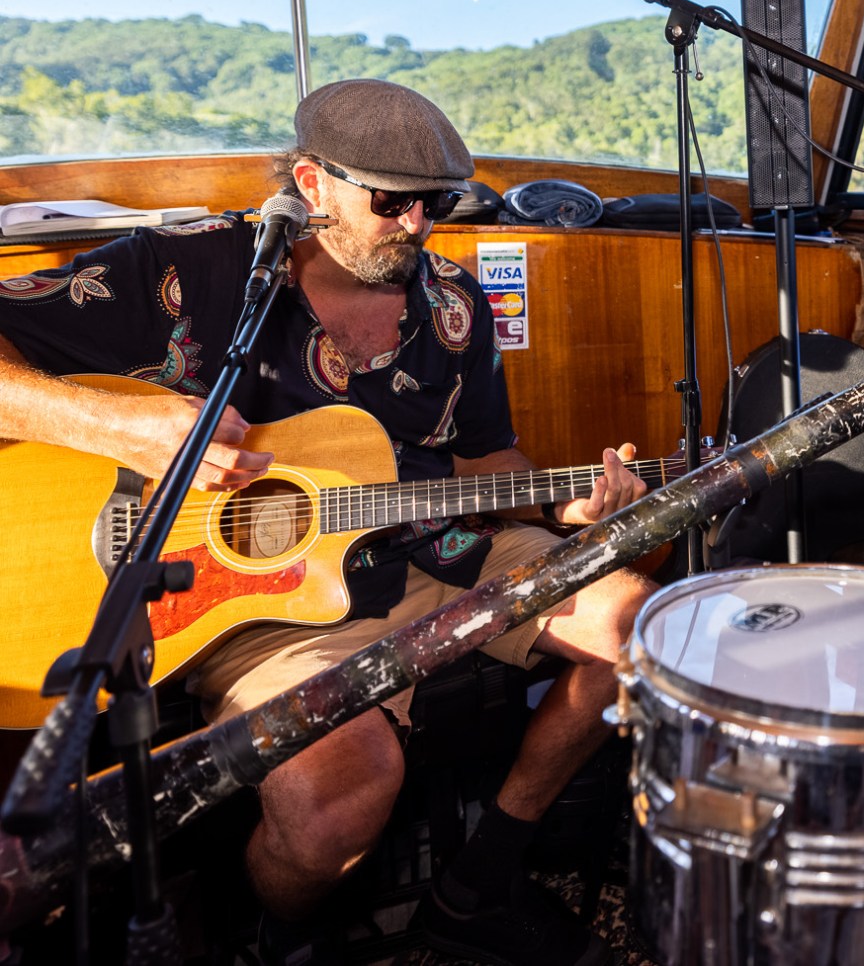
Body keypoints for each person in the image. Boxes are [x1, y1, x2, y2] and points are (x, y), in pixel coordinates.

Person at [0, 80, 651, 966]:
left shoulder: (453, 302)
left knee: (639, 627)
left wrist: (561, 504)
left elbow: (492, 461)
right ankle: (284, 936)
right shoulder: (190, 273)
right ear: (313, 184)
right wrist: (123, 425)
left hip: (438, 548)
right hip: (255, 592)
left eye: (438, 202)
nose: (420, 225)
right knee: (338, 794)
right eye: (393, 202)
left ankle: (483, 876)